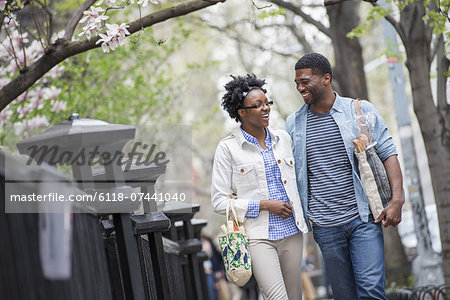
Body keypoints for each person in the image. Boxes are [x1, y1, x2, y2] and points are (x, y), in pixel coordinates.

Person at [286, 53, 404, 300]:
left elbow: (388, 152)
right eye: (297, 82)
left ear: (326, 78)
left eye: (305, 81)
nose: (300, 87)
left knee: (371, 291)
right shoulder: (294, 124)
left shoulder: (358, 111)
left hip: (363, 218)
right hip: (325, 225)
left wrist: (397, 199)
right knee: (343, 295)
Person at [211, 74, 308, 300]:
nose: (265, 109)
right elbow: (218, 201)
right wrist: (264, 205)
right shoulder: (228, 149)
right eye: (257, 105)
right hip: (258, 236)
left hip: (292, 232)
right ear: (242, 112)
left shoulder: (283, 139)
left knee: (295, 296)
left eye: (267, 103)